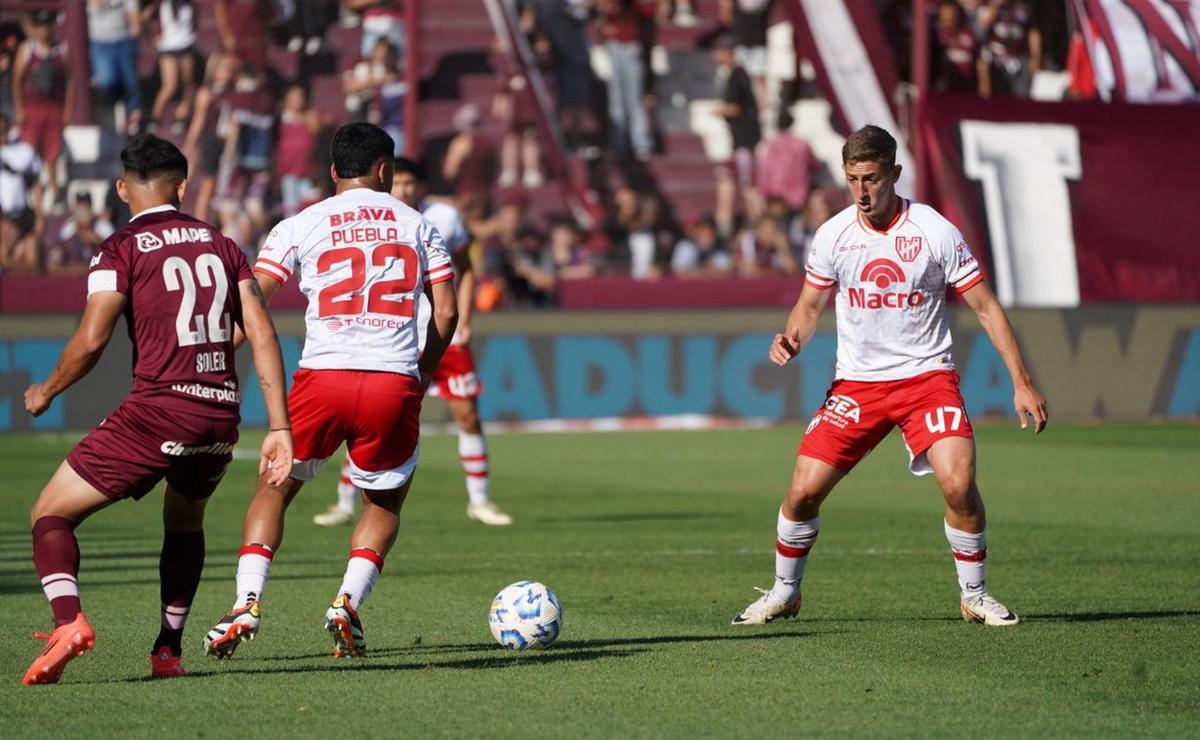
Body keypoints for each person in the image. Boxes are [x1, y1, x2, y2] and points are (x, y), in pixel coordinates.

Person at [732, 125, 1047, 628]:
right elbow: (809, 307)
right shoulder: (834, 234)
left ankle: (974, 595)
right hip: (857, 384)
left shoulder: (934, 230)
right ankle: (785, 591)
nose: (861, 191)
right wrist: (790, 338)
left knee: (960, 483)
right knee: (802, 493)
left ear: (894, 174)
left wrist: (1022, 381)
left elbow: (986, 307)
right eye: (853, 178)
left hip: (927, 379)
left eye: (872, 178)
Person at [19, 134, 293, 685]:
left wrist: (47, 389)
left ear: (122, 188)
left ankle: (68, 621)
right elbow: (260, 332)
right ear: (183, 186)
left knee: (49, 513)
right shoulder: (223, 243)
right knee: (184, 521)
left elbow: (93, 340)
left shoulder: (119, 247)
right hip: (220, 414)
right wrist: (280, 425)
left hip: (159, 409)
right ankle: (167, 649)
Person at [202, 123, 458, 660]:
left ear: (334, 171)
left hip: (322, 379)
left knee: (274, 490)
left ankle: (245, 602)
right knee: (384, 502)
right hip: (392, 379)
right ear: (385, 171)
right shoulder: (420, 224)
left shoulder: (300, 223)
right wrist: (424, 373)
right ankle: (347, 602)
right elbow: (448, 312)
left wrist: (215, 358)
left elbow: (254, 306)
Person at [316, 157, 513, 527]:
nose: (404, 189)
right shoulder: (376, 219)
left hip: (443, 333)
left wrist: (465, 319)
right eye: (399, 182)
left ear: (420, 186)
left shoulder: (444, 218)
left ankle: (480, 501)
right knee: (374, 421)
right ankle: (344, 503)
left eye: (410, 183)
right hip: (396, 338)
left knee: (467, 415)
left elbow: (466, 269)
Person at [12, 10, 72, 209]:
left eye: (48, 26)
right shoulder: (27, 49)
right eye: (41, 26)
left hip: (53, 110)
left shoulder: (61, 50)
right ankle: (30, 188)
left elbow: (70, 80)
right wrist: (20, 109)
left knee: (53, 153)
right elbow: (17, 81)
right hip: (32, 110)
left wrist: (67, 109)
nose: (45, 30)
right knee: (29, 153)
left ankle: (54, 189)